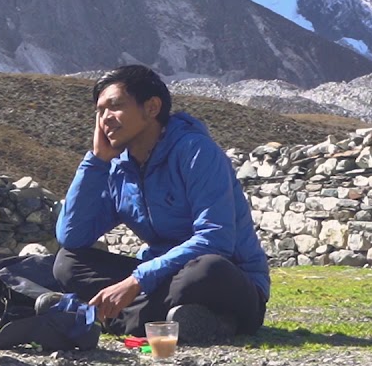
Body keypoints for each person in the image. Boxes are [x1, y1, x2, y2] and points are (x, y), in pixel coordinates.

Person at [52, 65, 270, 344]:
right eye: (100, 111)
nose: (105, 119)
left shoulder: (196, 152)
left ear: (152, 107)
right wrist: (95, 162)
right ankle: (192, 321)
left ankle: (88, 316)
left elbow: (217, 240)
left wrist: (137, 281)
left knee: (206, 269)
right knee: (67, 262)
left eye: (115, 106)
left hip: (231, 281)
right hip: (164, 279)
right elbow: (71, 236)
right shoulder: (120, 168)